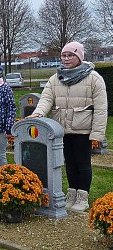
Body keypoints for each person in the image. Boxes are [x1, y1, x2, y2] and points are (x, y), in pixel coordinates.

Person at [28, 41, 107, 212]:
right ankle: (71, 193)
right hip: (62, 128)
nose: (66, 58)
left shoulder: (94, 78)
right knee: (70, 163)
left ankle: (82, 196)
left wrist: (97, 135)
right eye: (63, 55)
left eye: (70, 55)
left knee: (83, 164)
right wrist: (38, 113)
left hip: (83, 129)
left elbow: (101, 109)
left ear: (79, 57)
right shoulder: (56, 78)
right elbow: (47, 99)